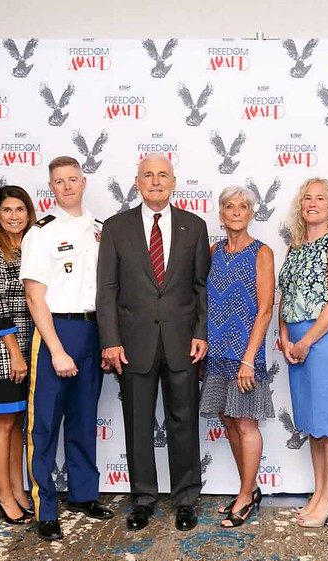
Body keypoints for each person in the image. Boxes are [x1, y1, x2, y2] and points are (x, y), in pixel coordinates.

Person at [97, 154, 211, 532]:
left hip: (182, 343)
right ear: (137, 181)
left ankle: (186, 499)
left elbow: (200, 289)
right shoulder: (116, 228)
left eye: (163, 175)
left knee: (184, 422)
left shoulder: (194, 227)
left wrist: (200, 332)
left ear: (174, 181)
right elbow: (107, 291)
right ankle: (143, 498)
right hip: (133, 344)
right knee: (137, 423)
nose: (156, 181)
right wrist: (110, 341)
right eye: (149, 175)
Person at [21, 157, 110, 542]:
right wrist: (56, 349)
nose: (67, 186)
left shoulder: (101, 230)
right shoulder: (41, 232)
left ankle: (83, 494)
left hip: (93, 331)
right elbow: (34, 297)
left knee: (83, 417)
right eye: (59, 181)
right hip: (56, 331)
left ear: (84, 181)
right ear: (51, 187)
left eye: (73, 179)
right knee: (44, 425)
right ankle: (46, 509)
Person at [277, 178, 328, 529]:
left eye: (320, 198)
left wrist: (305, 341)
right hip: (295, 342)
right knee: (310, 421)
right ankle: (320, 493)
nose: (312, 203)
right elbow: (286, 297)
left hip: (323, 341)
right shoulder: (294, 248)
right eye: (307, 197)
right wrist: (283, 336)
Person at [200, 186, 276, 528]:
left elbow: (264, 311)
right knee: (228, 420)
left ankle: (245, 496)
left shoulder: (262, 253)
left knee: (246, 423)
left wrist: (249, 359)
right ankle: (249, 488)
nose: (235, 211)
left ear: (251, 214)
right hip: (216, 352)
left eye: (243, 206)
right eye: (229, 206)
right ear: (221, 214)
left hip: (245, 353)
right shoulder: (212, 251)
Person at [0, 185, 37, 526]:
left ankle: (17, 488)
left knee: (16, 425)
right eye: (7, 211)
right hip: (3, 352)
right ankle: (2, 494)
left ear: (28, 214)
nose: (14, 216)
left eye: (20, 210)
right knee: (2, 424)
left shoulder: (30, 246)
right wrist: (15, 354)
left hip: (29, 349)